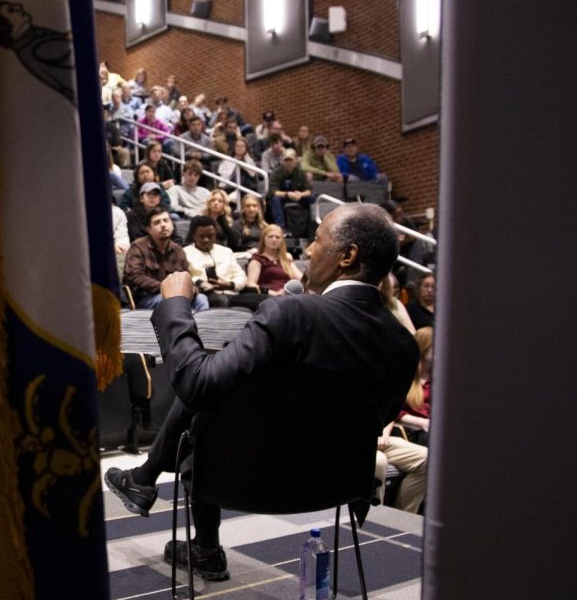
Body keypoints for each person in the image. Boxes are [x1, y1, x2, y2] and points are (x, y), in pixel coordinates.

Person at [104, 204, 419, 580]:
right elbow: (376, 418)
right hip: (336, 486)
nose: (307, 253)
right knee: (227, 381)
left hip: (242, 481)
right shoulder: (404, 344)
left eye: (317, 243)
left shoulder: (291, 314)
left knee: (210, 390)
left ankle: (186, 525)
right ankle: (147, 484)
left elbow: (196, 385)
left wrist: (175, 305)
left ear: (347, 256)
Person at [124, 207, 210, 312]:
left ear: (172, 225)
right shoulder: (138, 247)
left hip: (176, 295)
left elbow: (186, 276)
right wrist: (165, 287)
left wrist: (192, 289)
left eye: (166, 220)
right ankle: (186, 326)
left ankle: (202, 327)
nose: (163, 225)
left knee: (201, 299)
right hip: (146, 297)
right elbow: (135, 277)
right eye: (157, 222)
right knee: (172, 301)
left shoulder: (178, 250)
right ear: (149, 229)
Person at [184, 216, 248, 308]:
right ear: (193, 235)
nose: (206, 240)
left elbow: (241, 276)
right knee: (221, 300)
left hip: (232, 292)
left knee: (264, 300)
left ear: (215, 234)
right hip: (207, 293)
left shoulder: (226, 251)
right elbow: (187, 277)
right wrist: (201, 282)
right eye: (202, 236)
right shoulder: (185, 253)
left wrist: (230, 285)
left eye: (210, 236)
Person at [246, 224, 302, 295]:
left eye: (277, 237)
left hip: (288, 295)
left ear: (282, 240)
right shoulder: (257, 260)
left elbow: (301, 279)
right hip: (268, 296)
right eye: (270, 237)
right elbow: (251, 284)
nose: (274, 240)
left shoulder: (285, 259)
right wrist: (273, 293)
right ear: (263, 239)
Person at [265, 148, 311, 233]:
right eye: (286, 160)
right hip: (282, 198)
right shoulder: (277, 172)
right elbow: (273, 191)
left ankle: (313, 228)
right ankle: (281, 229)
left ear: (296, 161)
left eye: (291, 160)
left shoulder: (300, 173)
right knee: (275, 200)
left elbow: (308, 190)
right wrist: (287, 194)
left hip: (297, 197)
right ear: (283, 161)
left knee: (312, 199)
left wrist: (301, 194)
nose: (289, 163)